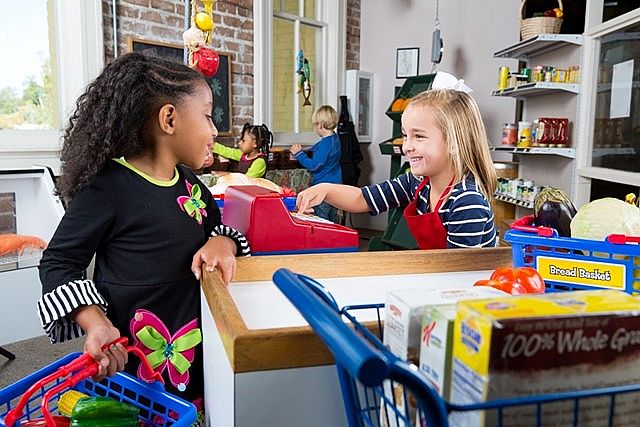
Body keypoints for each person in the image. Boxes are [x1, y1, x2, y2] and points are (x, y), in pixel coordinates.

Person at [37, 52, 251, 420]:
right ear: (169, 119)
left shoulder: (192, 185)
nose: (215, 131)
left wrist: (222, 242)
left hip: (190, 353)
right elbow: (59, 262)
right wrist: (96, 322)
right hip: (134, 363)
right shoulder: (108, 188)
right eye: (207, 116)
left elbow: (219, 229)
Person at [296, 72, 497, 249]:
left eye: (418, 136)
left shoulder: (466, 202)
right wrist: (324, 190)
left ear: (454, 142)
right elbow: (362, 199)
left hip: (464, 279)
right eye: (405, 136)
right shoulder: (417, 183)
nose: (407, 146)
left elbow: (457, 272)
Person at [290, 105, 342, 222]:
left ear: (320, 125)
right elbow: (321, 152)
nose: (315, 128)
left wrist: (299, 154)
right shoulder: (334, 139)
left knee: (321, 219)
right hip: (335, 186)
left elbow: (314, 165)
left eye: (314, 124)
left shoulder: (325, 144)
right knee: (333, 219)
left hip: (323, 188)